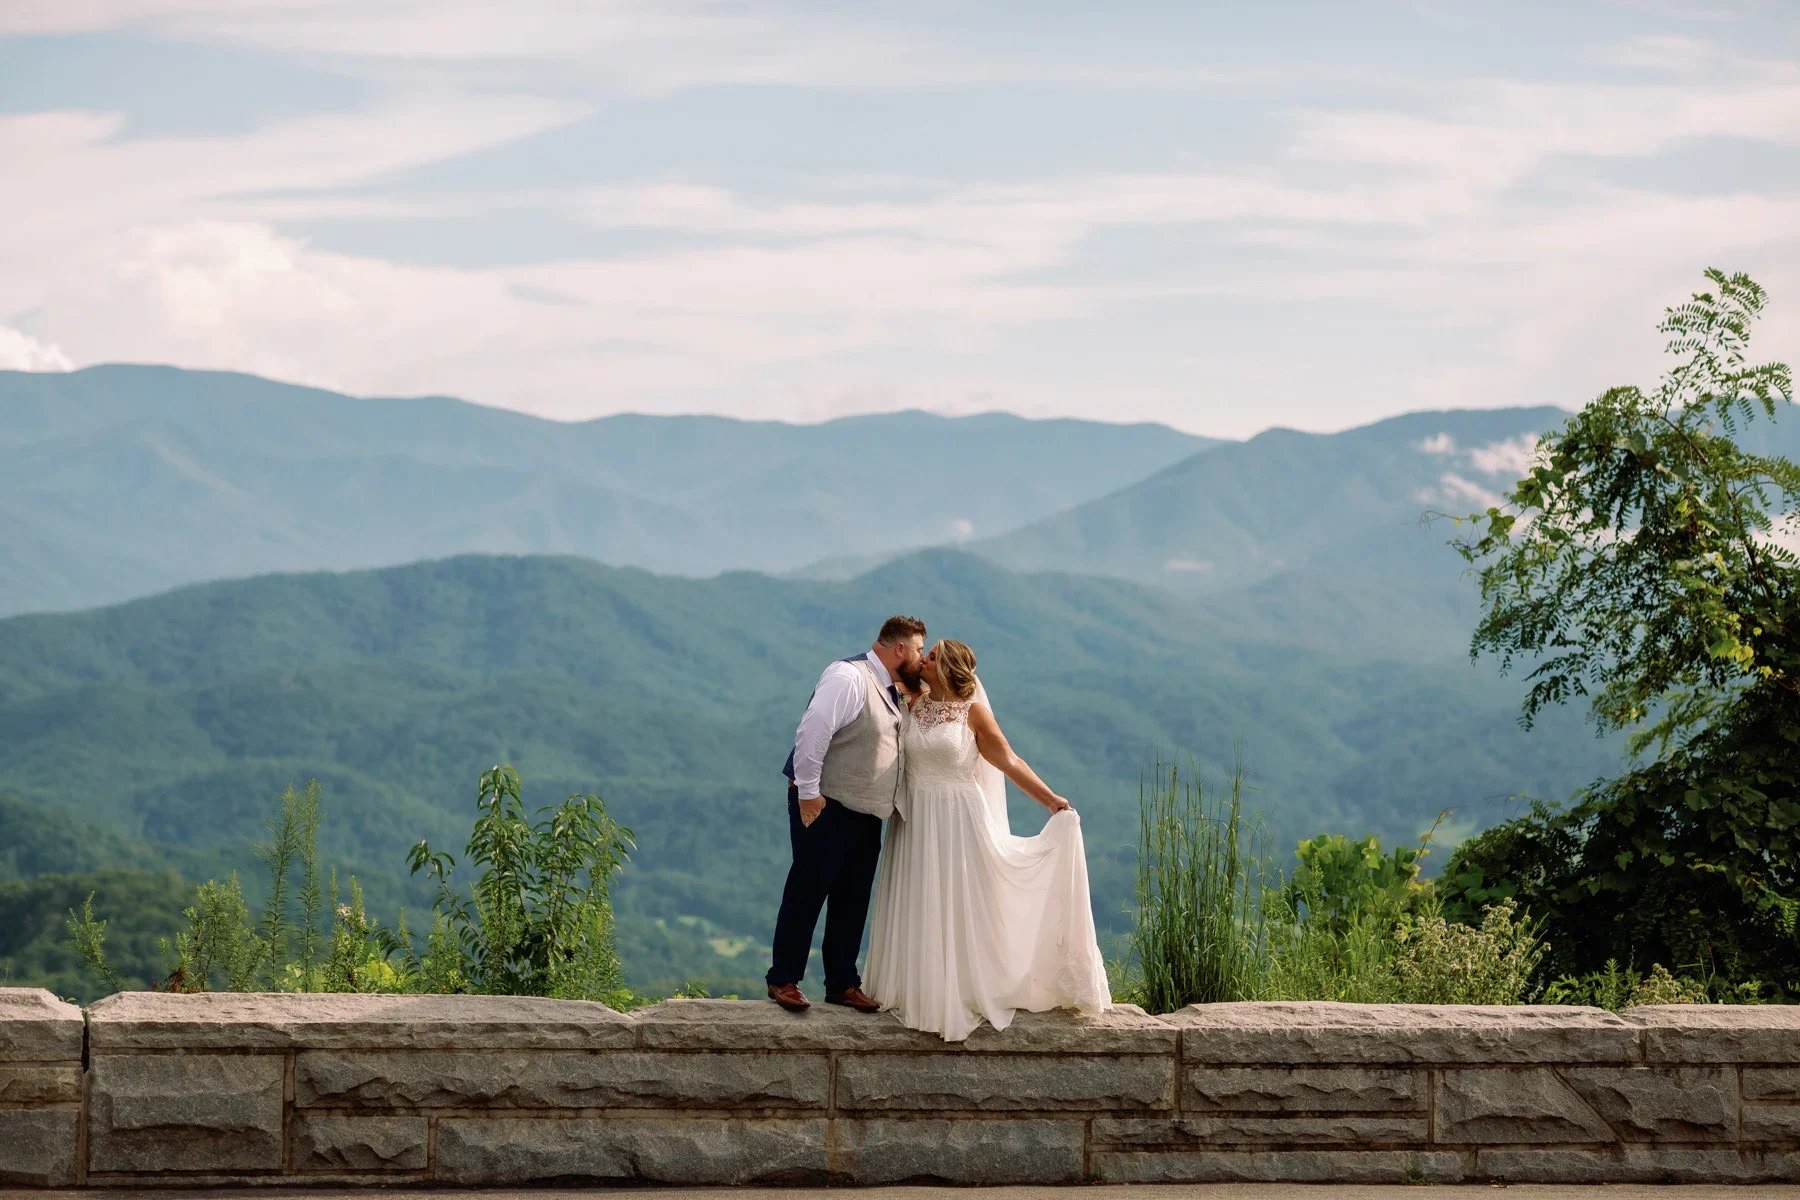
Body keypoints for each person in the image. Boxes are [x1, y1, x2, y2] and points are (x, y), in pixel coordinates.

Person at [864, 638, 1110, 1041]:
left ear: (946, 667)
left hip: (959, 818)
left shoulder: (973, 713)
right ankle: (916, 986)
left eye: (930, 656)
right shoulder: (914, 705)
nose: (922, 661)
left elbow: (1009, 761)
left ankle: (960, 988)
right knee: (920, 895)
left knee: (959, 900)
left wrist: (1051, 801)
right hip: (915, 822)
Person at [765, 615, 927, 1013]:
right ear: (900, 648)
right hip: (827, 803)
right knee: (808, 889)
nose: (921, 658)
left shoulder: (892, 686)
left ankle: (842, 982)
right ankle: (784, 978)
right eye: (920, 650)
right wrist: (808, 795)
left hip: (866, 811)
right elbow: (812, 730)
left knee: (852, 898)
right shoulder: (848, 676)